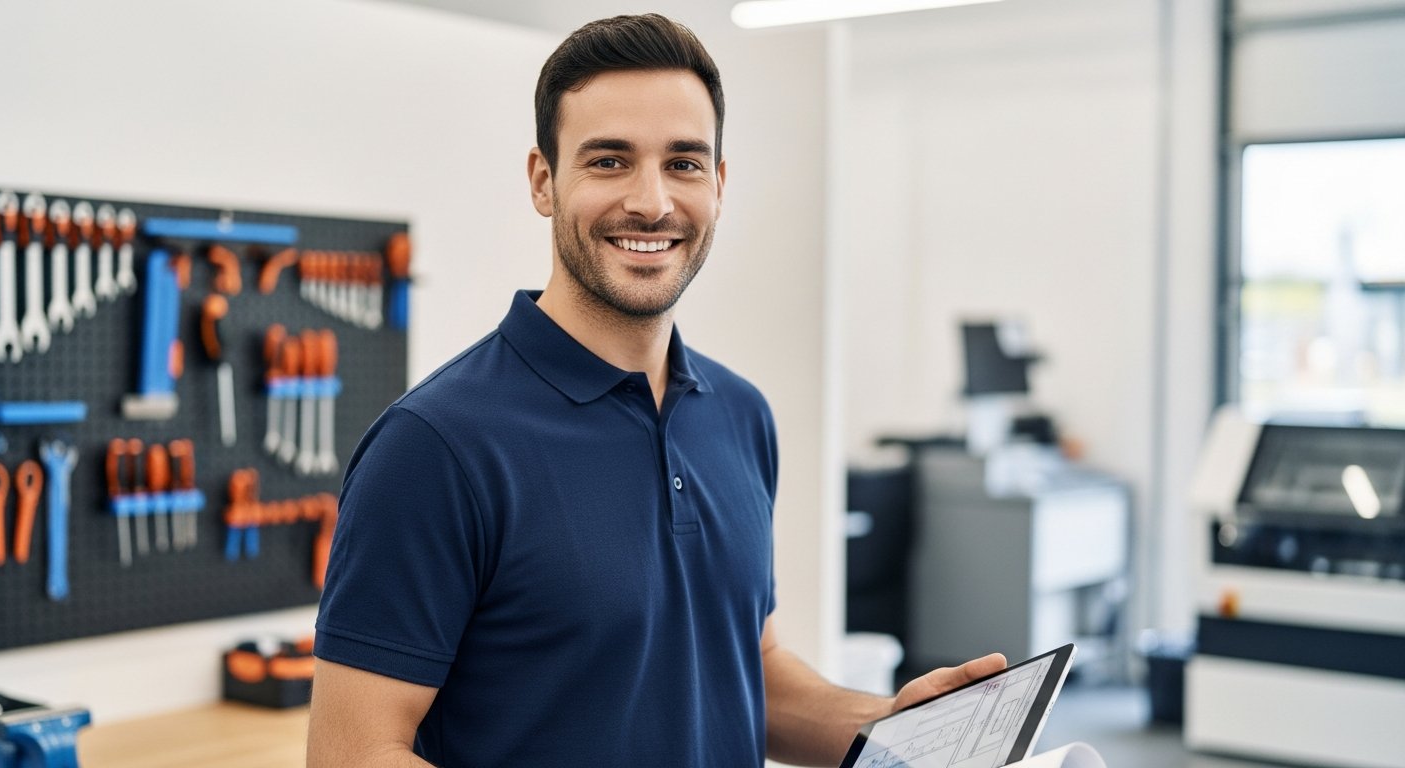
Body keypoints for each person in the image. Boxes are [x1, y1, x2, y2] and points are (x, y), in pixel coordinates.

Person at [307, 13, 1004, 767]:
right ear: (544, 181)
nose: (651, 202)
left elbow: (749, 670)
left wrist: (893, 727)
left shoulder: (740, 416)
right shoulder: (436, 447)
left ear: (719, 183)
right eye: (609, 161)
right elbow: (354, 752)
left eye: (683, 163)